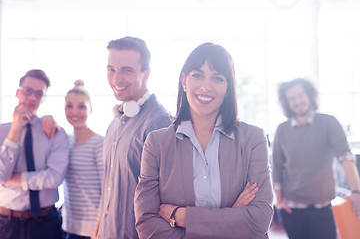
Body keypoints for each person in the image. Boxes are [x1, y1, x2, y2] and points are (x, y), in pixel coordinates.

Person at [134, 42, 274, 239]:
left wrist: (181, 216)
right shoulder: (157, 144)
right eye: (197, 75)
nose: (206, 87)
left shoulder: (253, 139)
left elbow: (259, 220)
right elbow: (147, 225)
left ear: (227, 87)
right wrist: (232, 216)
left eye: (217, 78)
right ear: (184, 81)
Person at [94, 36, 171, 239]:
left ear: (146, 73)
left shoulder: (160, 123)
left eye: (126, 70)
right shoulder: (115, 123)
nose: (116, 79)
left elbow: (168, 201)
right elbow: (108, 190)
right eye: (111, 69)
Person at [272, 78, 360, 239]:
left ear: (309, 95)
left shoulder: (329, 122)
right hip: (292, 209)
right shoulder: (282, 130)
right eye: (292, 98)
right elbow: (276, 166)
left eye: (300, 95)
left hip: (323, 208)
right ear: (287, 103)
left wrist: (356, 191)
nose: (297, 101)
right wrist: (279, 201)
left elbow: (345, 157)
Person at [0, 69, 69, 239]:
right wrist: (15, 130)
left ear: (44, 97)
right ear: (18, 92)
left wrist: (16, 179)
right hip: (6, 221)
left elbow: (54, 178)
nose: (32, 98)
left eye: (39, 94)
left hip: (46, 222)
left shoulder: (55, 132)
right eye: (28, 91)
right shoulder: (2, 132)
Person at [61, 80, 104, 239]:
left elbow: (107, 192)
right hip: (68, 226)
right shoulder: (64, 141)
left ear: (90, 109)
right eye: (69, 106)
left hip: (92, 230)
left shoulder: (99, 143)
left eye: (82, 106)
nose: (75, 112)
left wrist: (98, 231)